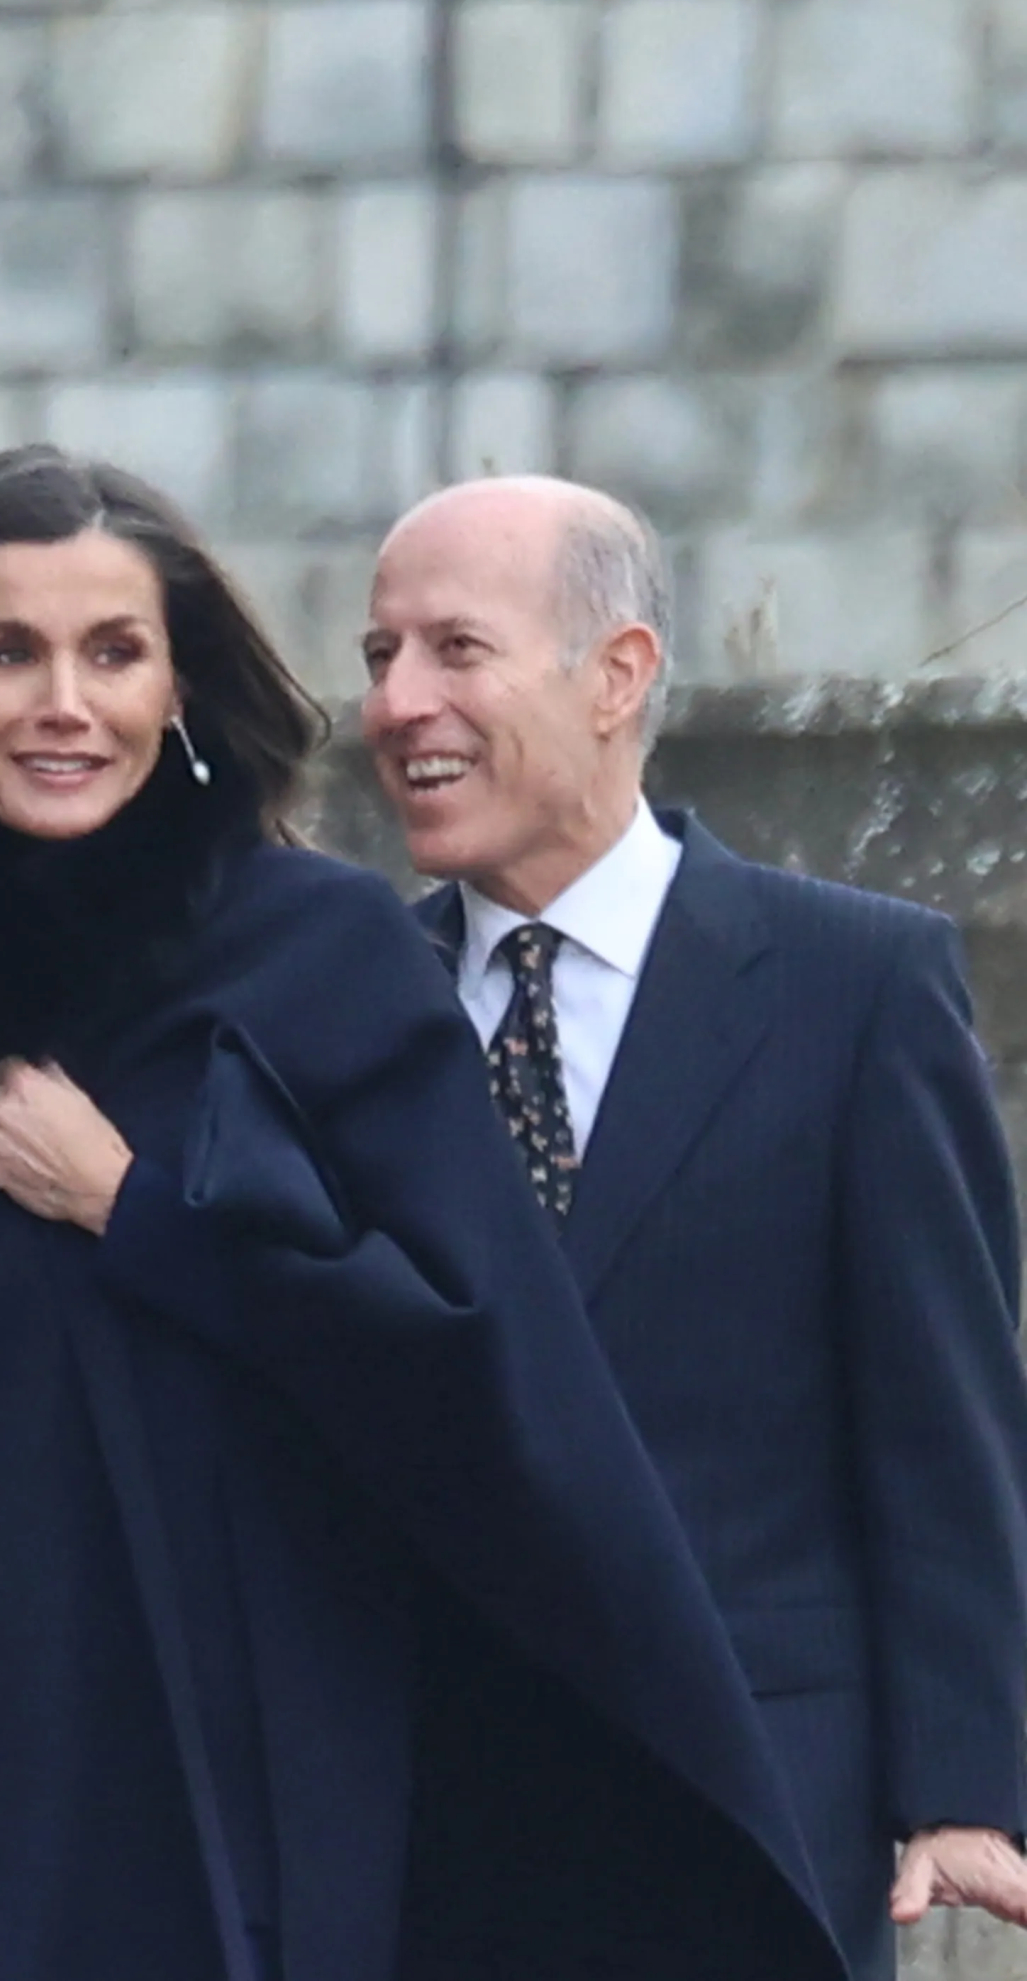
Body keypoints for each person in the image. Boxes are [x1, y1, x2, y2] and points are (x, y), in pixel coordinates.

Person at [0, 446, 843, 1981]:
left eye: (111, 653)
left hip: (248, 1756)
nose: (60, 704)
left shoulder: (320, 959)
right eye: (8, 653)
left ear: (177, 689)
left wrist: (140, 1216)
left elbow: (461, 1364)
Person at [362, 473, 1027, 1975]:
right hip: (429, 1842)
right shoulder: (345, 1010)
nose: (398, 704)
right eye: (375, 656)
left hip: (749, 1820)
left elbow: (942, 1421)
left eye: (452, 650)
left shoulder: (851, 987)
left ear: (617, 675)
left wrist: (957, 1782)